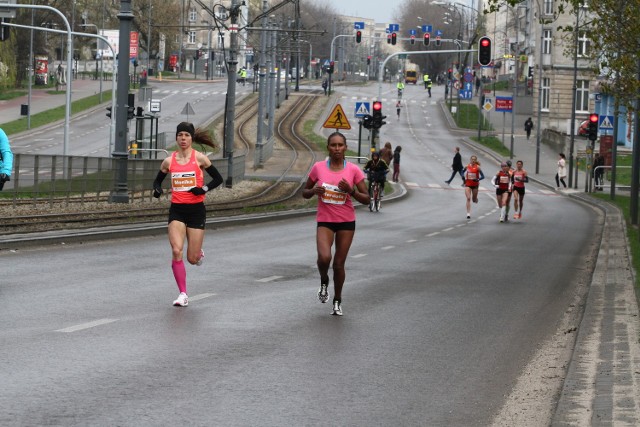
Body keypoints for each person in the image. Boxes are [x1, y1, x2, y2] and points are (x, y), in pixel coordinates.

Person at [152, 122, 224, 307]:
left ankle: (198, 254)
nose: (183, 138)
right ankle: (183, 294)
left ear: (192, 138)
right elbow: (157, 181)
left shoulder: (200, 158)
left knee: (192, 259)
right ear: (176, 138)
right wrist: (157, 189)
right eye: (180, 135)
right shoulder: (169, 161)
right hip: (177, 210)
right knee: (176, 251)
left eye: (187, 135)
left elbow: (218, 178)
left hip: (196, 211)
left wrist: (203, 189)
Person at [302, 132, 369, 316]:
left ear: (346, 147)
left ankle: (337, 299)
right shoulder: (318, 168)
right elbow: (304, 192)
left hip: (346, 222)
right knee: (324, 258)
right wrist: (313, 190)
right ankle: (324, 280)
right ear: (328, 148)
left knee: (339, 264)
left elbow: (367, 199)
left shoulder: (353, 170)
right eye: (333, 145)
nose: (337, 149)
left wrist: (351, 191)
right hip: (325, 220)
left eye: (340, 145)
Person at [463, 155, 484, 219]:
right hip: (468, 184)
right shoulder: (467, 166)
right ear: (470, 160)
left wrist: (478, 179)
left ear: (476, 160)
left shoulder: (478, 167)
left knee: (474, 200)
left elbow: (483, 176)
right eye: (472, 159)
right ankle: (468, 213)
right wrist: (463, 177)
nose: (473, 160)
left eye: (474, 159)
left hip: (475, 185)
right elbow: (462, 172)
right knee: (468, 198)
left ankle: (475, 199)